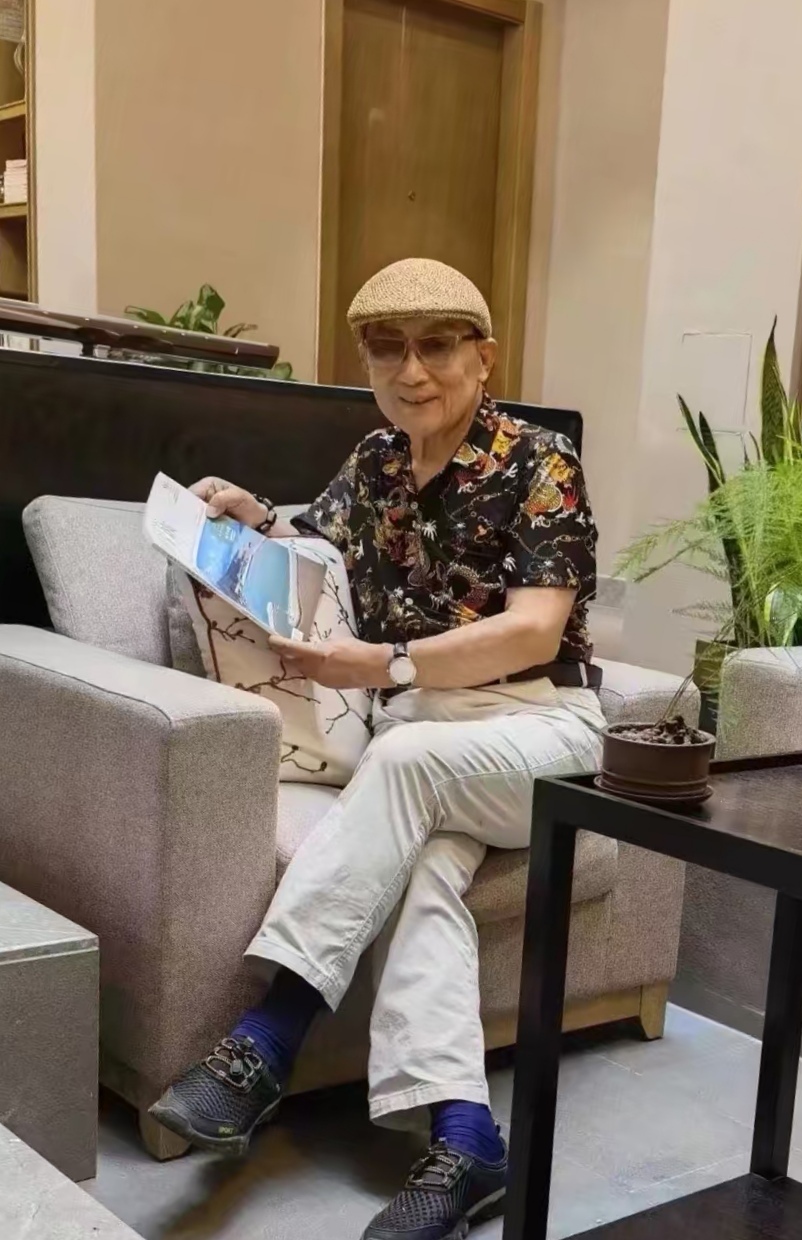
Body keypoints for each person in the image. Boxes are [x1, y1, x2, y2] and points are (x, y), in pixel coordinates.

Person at [149, 257, 605, 1240]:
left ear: (483, 357)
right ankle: (467, 1142)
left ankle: (270, 1035)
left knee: (400, 762)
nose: (413, 370)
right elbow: (315, 539)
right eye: (388, 349)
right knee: (424, 874)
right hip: (429, 742)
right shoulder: (377, 462)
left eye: (437, 345)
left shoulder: (540, 462)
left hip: (539, 730)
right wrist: (254, 518)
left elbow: (535, 629)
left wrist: (388, 663)